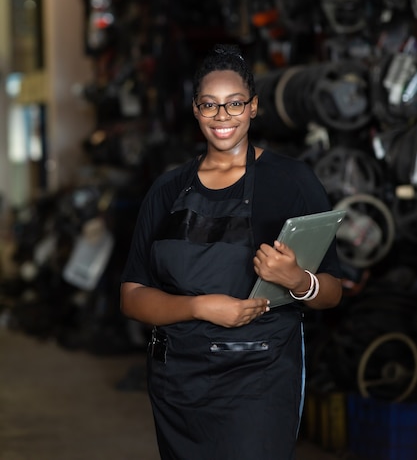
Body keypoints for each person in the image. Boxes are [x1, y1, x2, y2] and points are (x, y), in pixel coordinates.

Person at [120, 44, 342, 460]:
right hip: (178, 383)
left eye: (235, 103)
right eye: (210, 105)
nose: (222, 117)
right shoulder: (167, 190)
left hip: (259, 377)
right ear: (195, 110)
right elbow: (132, 296)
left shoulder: (292, 182)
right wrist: (201, 307)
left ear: (254, 107)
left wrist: (299, 281)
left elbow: (332, 291)